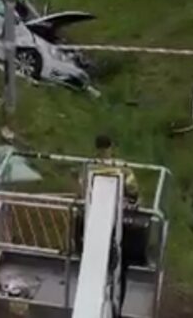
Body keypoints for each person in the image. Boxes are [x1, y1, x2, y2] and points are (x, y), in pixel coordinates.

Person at [75, 135, 140, 317]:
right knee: (119, 267)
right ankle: (117, 308)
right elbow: (134, 192)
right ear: (112, 147)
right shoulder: (123, 168)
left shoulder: (89, 166)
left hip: (91, 224)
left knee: (91, 265)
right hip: (116, 224)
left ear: (96, 147)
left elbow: (81, 192)